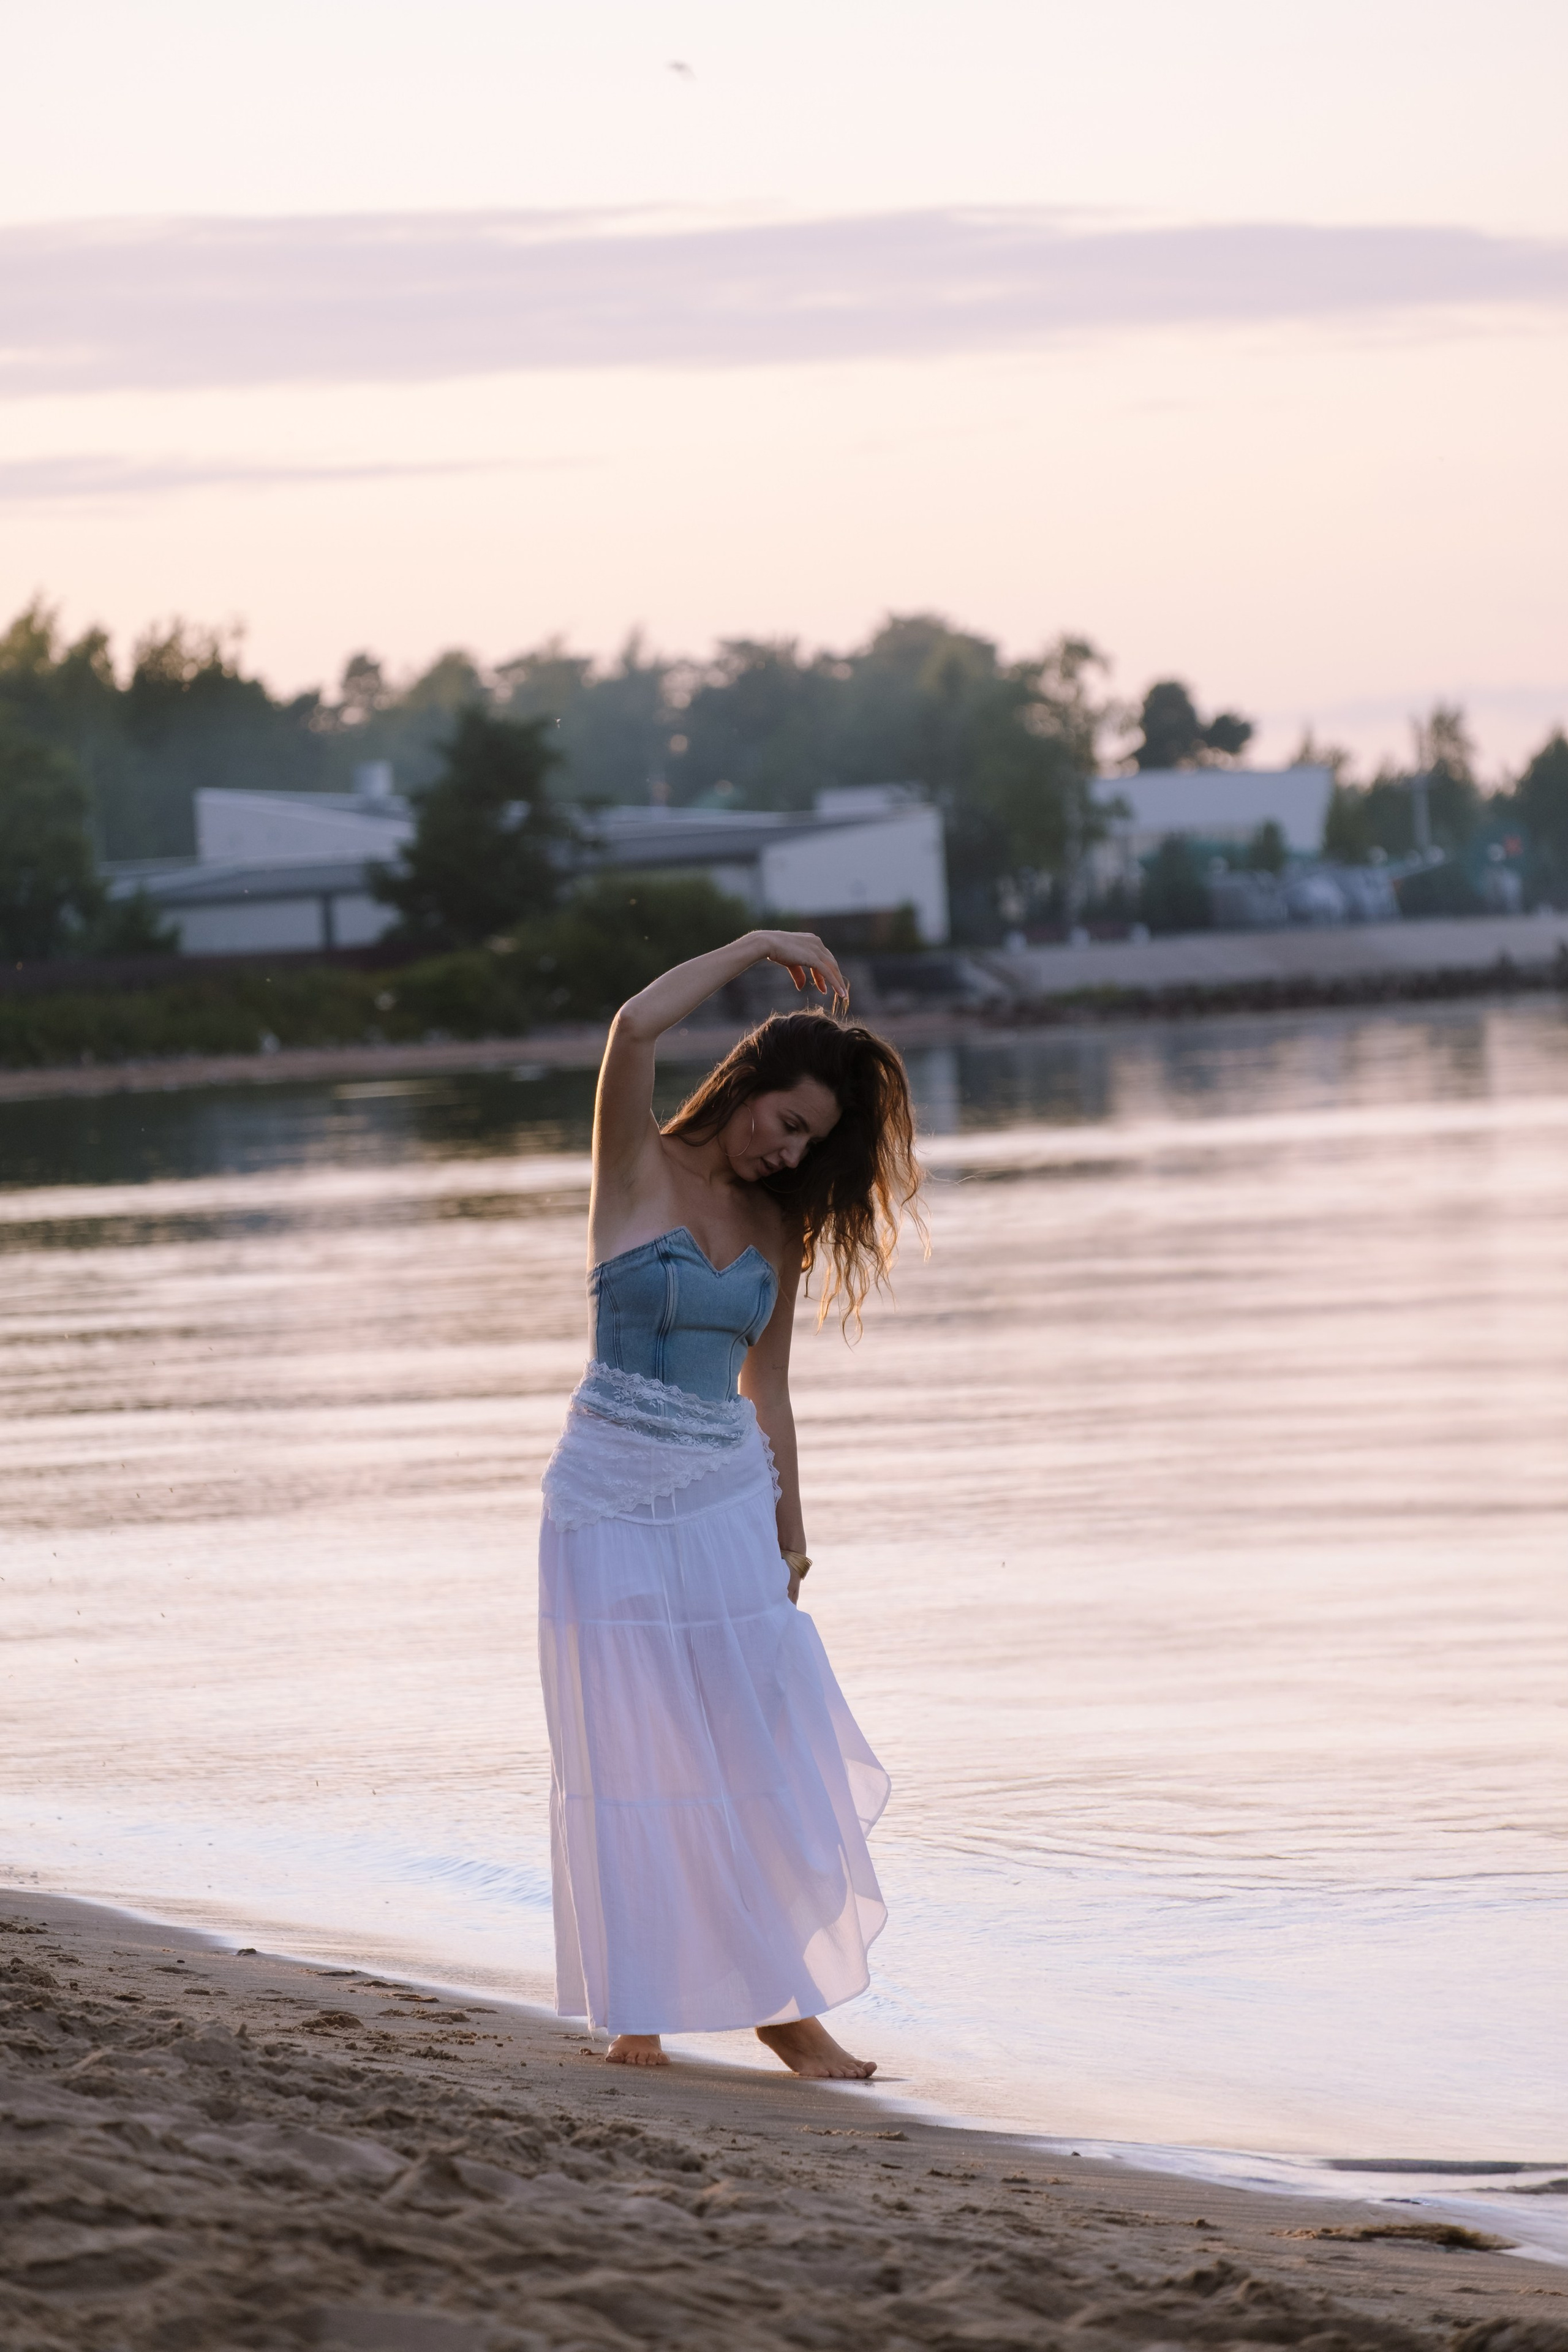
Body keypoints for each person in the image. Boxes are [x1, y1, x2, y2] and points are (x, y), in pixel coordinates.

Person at [538, 929, 922, 2079]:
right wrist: (756, 946)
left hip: (722, 1499)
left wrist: (792, 1529)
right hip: (605, 1495)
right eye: (785, 1121)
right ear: (749, 1082)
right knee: (632, 1749)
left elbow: (771, 1387)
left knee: (753, 1743)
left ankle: (781, 2002)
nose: (786, 1149)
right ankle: (639, 2015)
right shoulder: (636, 1165)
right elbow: (633, 1028)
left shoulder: (778, 1226)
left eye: (810, 1141)